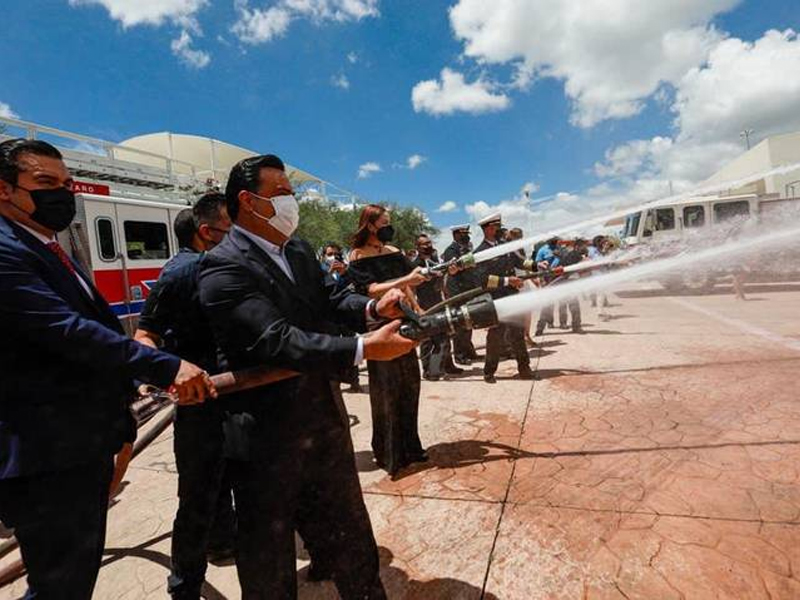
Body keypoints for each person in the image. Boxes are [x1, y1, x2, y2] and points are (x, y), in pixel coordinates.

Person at [0, 138, 214, 599]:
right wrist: (166, 366)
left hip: (77, 441)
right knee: (60, 585)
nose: (62, 193)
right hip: (49, 452)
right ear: (3, 190)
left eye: (65, 183)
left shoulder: (43, 244)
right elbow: (67, 330)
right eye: (44, 183)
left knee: (70, 576)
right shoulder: (5, 251)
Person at [198, 155, 412, 599]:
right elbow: (277, 341)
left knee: (351, 532)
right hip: (266, 438)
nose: (292, 202)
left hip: (323, 421)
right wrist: (362, 348)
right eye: (281, 193)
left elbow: (333, 298)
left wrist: (373, 308)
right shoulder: (221, 266)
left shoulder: (296, 250)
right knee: (269, 554)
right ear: (248, 201)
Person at [134, 194, 234, 599]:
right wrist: (174, 374)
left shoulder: (215, 266)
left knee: (217, 482)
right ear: (204, 232)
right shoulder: (180, 273)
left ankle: (223, 542)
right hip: (200, 401)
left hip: (230, 394)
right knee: (198, 494)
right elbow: (145, 338)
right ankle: (184, 586)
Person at [347, 204, 429, 475]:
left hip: (406, 321)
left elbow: (407, 285)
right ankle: (388, 452)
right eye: (385, 222)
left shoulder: (394, 252)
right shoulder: (357, 255)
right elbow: (371, 290)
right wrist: (404, 279)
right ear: (370, 225)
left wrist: (418, 310)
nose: (388, 226)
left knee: (410, 385)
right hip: (380, 324)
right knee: (386, 390)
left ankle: (411, 447)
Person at [474, 213, 534, 383]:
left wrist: (538, 265)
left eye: (499, 226)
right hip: (497, 299)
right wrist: (508, 280)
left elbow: (520, 262)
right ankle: (489, 372)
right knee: (496, 336)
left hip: (512, 296)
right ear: (488, 229)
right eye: (496, 227)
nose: (499, 230)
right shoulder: (480, 252)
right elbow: (483, 280)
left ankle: (524, 368)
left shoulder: (505, 246)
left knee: (517, 333)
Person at [411, 234, 463, 381]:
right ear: (418, 247)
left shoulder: (435, 262)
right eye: (424, 244)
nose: (428, 246)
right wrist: (416, 308)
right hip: (425, 306)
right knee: (427, 339)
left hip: (439, 303)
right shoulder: (415, 265)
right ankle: (428, 370)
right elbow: (411, 288)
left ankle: (448, 365)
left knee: (445, 335)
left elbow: (443, 281)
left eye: (429, 243)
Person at [320, 242, 362, 393]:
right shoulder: (320, 270)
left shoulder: (346, 269)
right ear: (323, 256)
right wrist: (330, 274)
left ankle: (354, 381)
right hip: (330, 317)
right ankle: (334, 383)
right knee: (333, 348)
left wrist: (345, 273)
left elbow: (356, 286)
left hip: (346, 316)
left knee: (353, 346)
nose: (333, 257)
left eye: (336, 254)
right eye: (329, 254)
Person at [442, 224, 480, 364]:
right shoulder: (451, 251)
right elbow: (454, 268)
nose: (466, 236)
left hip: (468, 289)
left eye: (467, 233)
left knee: (469, 322)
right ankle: (459, 356)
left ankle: (469, 352)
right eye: (463, 233)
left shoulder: (466, 248)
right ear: (455, 235)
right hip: (457, 291)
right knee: (459, 324)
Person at [534, 237, 561, 336]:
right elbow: (537, 264)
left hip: (559, 278)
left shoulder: (559, 248)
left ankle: (557, 322)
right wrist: (544, 266)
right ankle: (540, 327)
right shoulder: (542, 250)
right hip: (547, 278)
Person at [557, 240, 584, 333]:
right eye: (582, 246)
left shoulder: (571, 254)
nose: (584, 248)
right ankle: (575, 326)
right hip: (567, 282)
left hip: (565, 282)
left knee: (567, 304)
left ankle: (566, 324)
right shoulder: (575, 255)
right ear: (577, 247)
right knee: (572, 304)